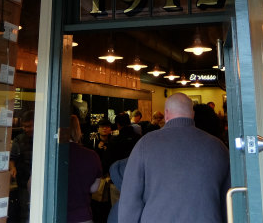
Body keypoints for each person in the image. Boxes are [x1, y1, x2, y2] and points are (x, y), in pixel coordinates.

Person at [118, 93, 230, 223]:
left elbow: (130, 199)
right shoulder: (218, 147)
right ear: (192, 114)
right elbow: (229, 199)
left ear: (166, 113)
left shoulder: (145, 144)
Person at [67, 115, 103, 223]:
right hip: (82, 216)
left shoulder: (49, 155)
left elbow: (31, 186)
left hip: (52, 214)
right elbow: (94, 188)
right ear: (78, 130)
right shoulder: (92, 155)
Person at [10, 110, 34, 222]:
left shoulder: (44, 139)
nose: (26, 129)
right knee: (25, 212)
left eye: (29, 126)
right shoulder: (18, 140)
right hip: (23, 184)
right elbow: (12, 158)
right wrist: (13, 167)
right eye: (24, 126)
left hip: (40, 185)